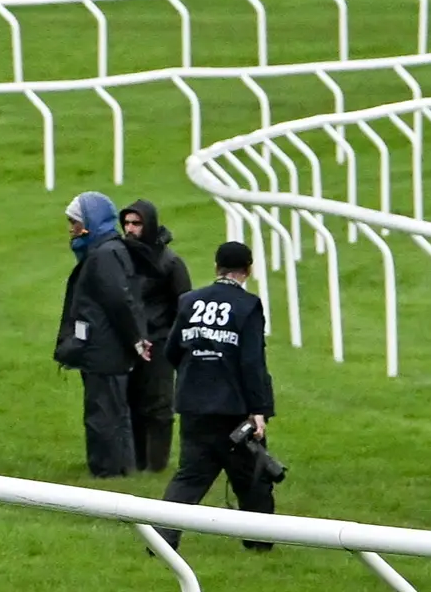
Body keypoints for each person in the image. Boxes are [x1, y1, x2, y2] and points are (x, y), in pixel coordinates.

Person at [160, 240, 279, 548]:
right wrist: (259, 409)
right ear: (248, 270)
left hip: (193, 404)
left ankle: (161, 539)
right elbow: (252, 361)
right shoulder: (248, 306)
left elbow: (172, 349)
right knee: (252, 477)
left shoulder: (189, 301)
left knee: (189, 477)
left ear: (216, 268)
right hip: (233, 410)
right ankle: (260, 544)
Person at [56, 190, 151, 477]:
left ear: (91, 222)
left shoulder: (104, 255)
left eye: (75, 222)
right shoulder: (106, 251)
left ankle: (107, 469)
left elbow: (119, 301)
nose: (71, 230)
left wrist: (136, 339)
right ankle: (120, 466)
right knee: (113, 410)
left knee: (104, 412)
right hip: (107, 346)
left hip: (104, 348)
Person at [117, 198, 195, 473]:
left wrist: (176, 344)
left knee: (159, 405)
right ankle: (138, 462)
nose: (129, 229)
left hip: (160, 341)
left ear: (148, 224)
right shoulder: (120, 257)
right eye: (126, 223)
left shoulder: (170, 262)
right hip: (130, 341)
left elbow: (183, 306)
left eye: (136, 223)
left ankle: (157, 465)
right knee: (132, 402)